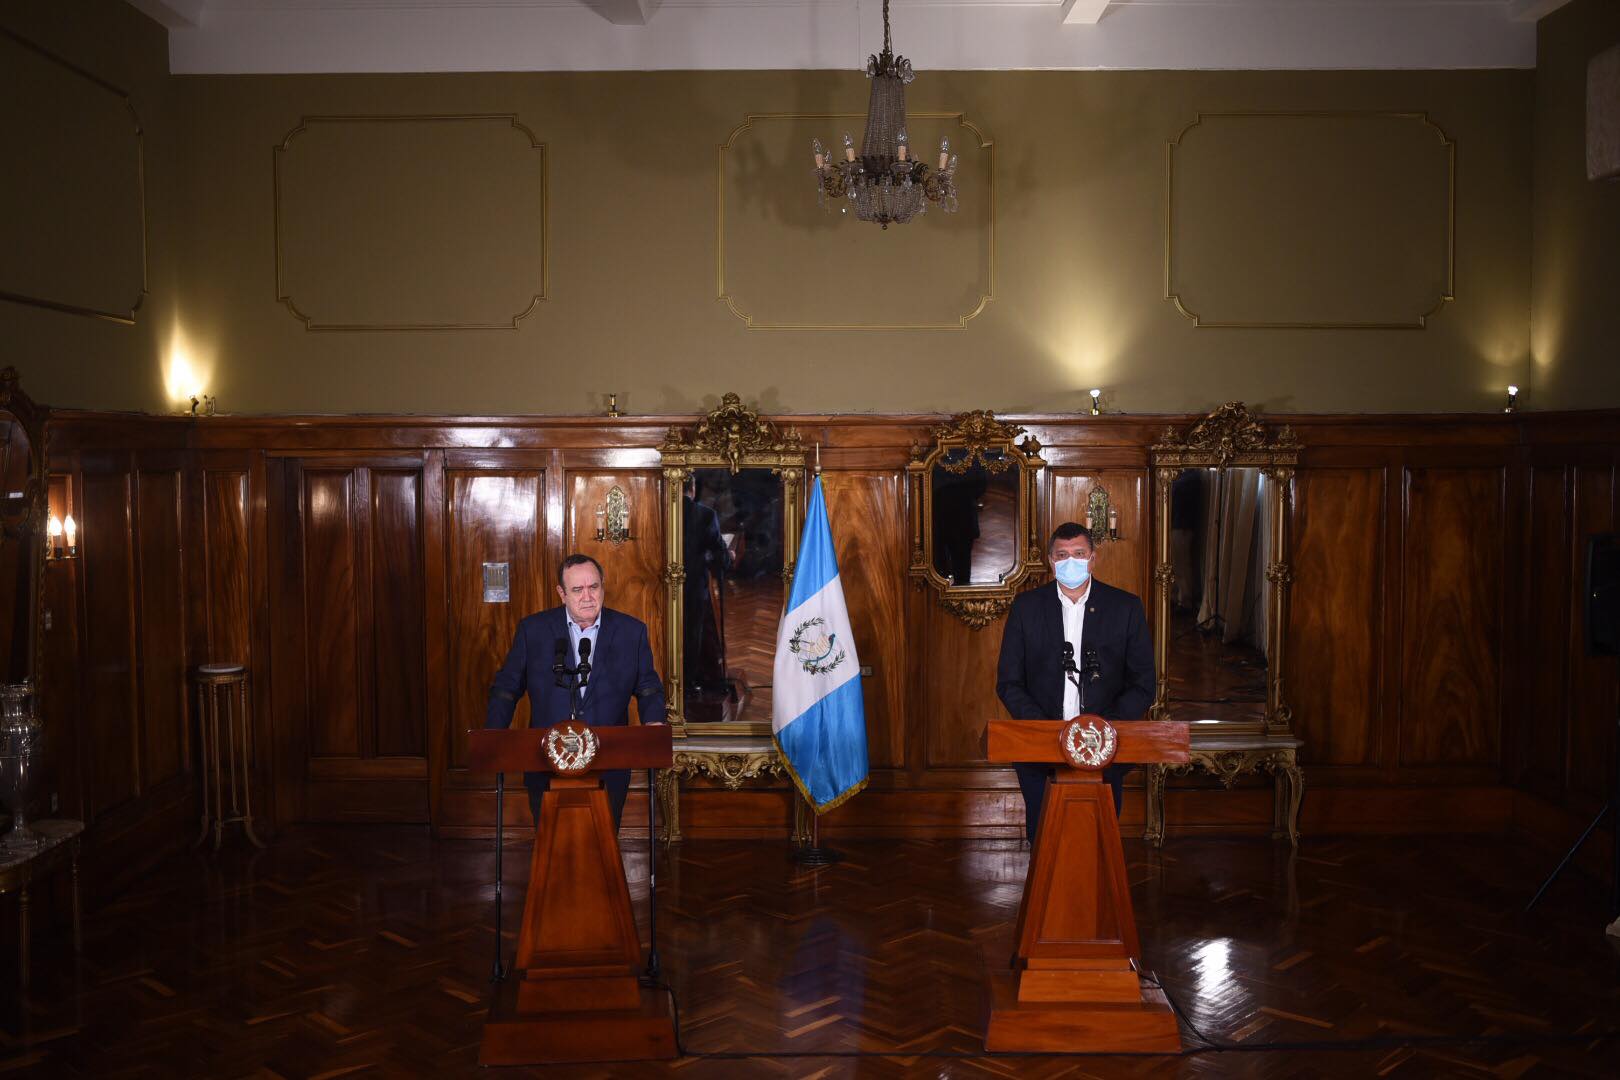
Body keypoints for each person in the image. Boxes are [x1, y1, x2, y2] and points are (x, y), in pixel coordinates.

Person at [995, 522, 1154, 843]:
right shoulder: (1027, 607)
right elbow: (1009, 682)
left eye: (1079, 554)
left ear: (1093, 559)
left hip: (1105, 748)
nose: (1071, 562)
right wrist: (1049, 732)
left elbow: (1143, 682)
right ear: (1051, 562)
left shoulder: (1125, 607)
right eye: (1063, 555)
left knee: (1098, 839)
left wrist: (1103, 730)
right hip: (1041, 748)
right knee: (1046, 840)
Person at [485, 553, 666, 830]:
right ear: (562, 593)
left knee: (602, 845)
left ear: (602, 587)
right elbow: (507, 687)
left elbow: (648, 687)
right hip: (545, 760)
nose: (587, 597)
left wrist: (654, 723)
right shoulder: (533, 631)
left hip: (610, 760)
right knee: (552, 847)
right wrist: (493, 736)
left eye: (593, 587)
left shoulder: (631, 632)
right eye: (577, 590)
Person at [683, 475, 731, 693]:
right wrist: (728, 555)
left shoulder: (660, 510)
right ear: (692, 488)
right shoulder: (704, 515)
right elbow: (720, 554)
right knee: (693, 635)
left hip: (661, 587)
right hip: (693, 587)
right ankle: (688, 685)